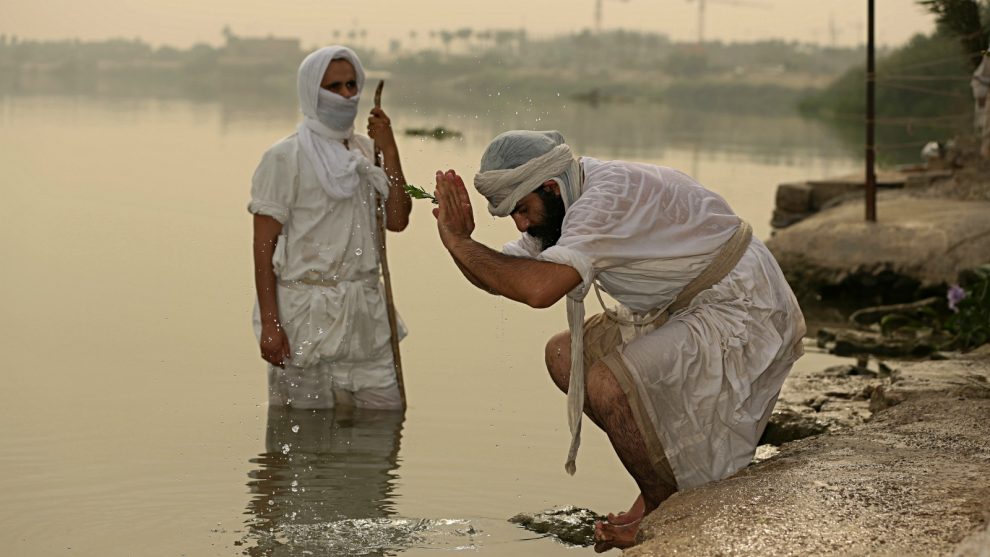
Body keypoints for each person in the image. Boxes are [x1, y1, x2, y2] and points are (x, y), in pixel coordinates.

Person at [431, 130, 805, 551]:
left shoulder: (601, 201)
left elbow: (537, 291)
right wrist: (455, 241)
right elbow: (503, 277)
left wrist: (459, 242)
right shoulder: (566, 196)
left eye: (522, 210)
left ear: (550, 188)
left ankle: (663, 509)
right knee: (564, 355)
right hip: (684, 304)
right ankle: (658, 492)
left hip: (743, 306)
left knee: (609, 384)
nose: (521, 224)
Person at [249, 46, 412, 411]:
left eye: (351, 85)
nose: (345, 95)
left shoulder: (367, 152)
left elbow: (398, 220)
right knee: (303, 441)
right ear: (310, 91)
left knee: (384, 418)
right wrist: (271, 325)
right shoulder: (283, 157)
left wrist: (389, 149)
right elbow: (263, 246)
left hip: (365, 315)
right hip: (304, 318)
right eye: (333, 87)